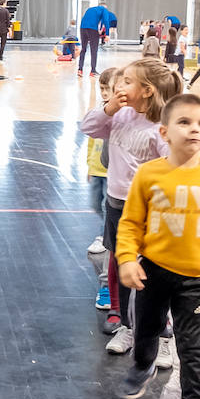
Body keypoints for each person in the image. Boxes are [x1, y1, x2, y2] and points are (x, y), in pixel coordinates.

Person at [114, 92, 200, 399]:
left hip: (195, 279)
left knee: (191, 348)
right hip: (153, 271)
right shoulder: (150, 175)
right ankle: (143, 365)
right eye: (184, 122)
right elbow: (131, 223)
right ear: (164, 132)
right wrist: (127, 259)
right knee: (145, 329)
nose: (194, 129)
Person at [79, 58, 178, 367]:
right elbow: (88, 127)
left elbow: (174, 168)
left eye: (126, 82)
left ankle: (161, 334)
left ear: (146, 91)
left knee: (155, 274)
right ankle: (126, 326)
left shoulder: (159, 128)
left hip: (149, 211)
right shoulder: (118, 114)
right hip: (117, 205)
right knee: (123, 268)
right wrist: (108, 108)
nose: (118, 87)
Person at [85, 66, 120, 312]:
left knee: (119, 241)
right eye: (104, 89)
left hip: (125, 187)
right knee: (100, 210)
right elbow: (89, 129)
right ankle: (107, 287)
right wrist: (90, 164)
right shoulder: (104, 114)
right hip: (105, 174)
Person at [77, 2, 114, 77]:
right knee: (94, 50)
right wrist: (107, 34)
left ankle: (80, 70)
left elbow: (89, 19)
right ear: (104, 7)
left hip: (82, 28)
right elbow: (106, 21)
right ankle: (93, 71)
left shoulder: (90, 9)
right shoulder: (104, 9)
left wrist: (99, 30)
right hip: (92, 29)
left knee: (83, 49)